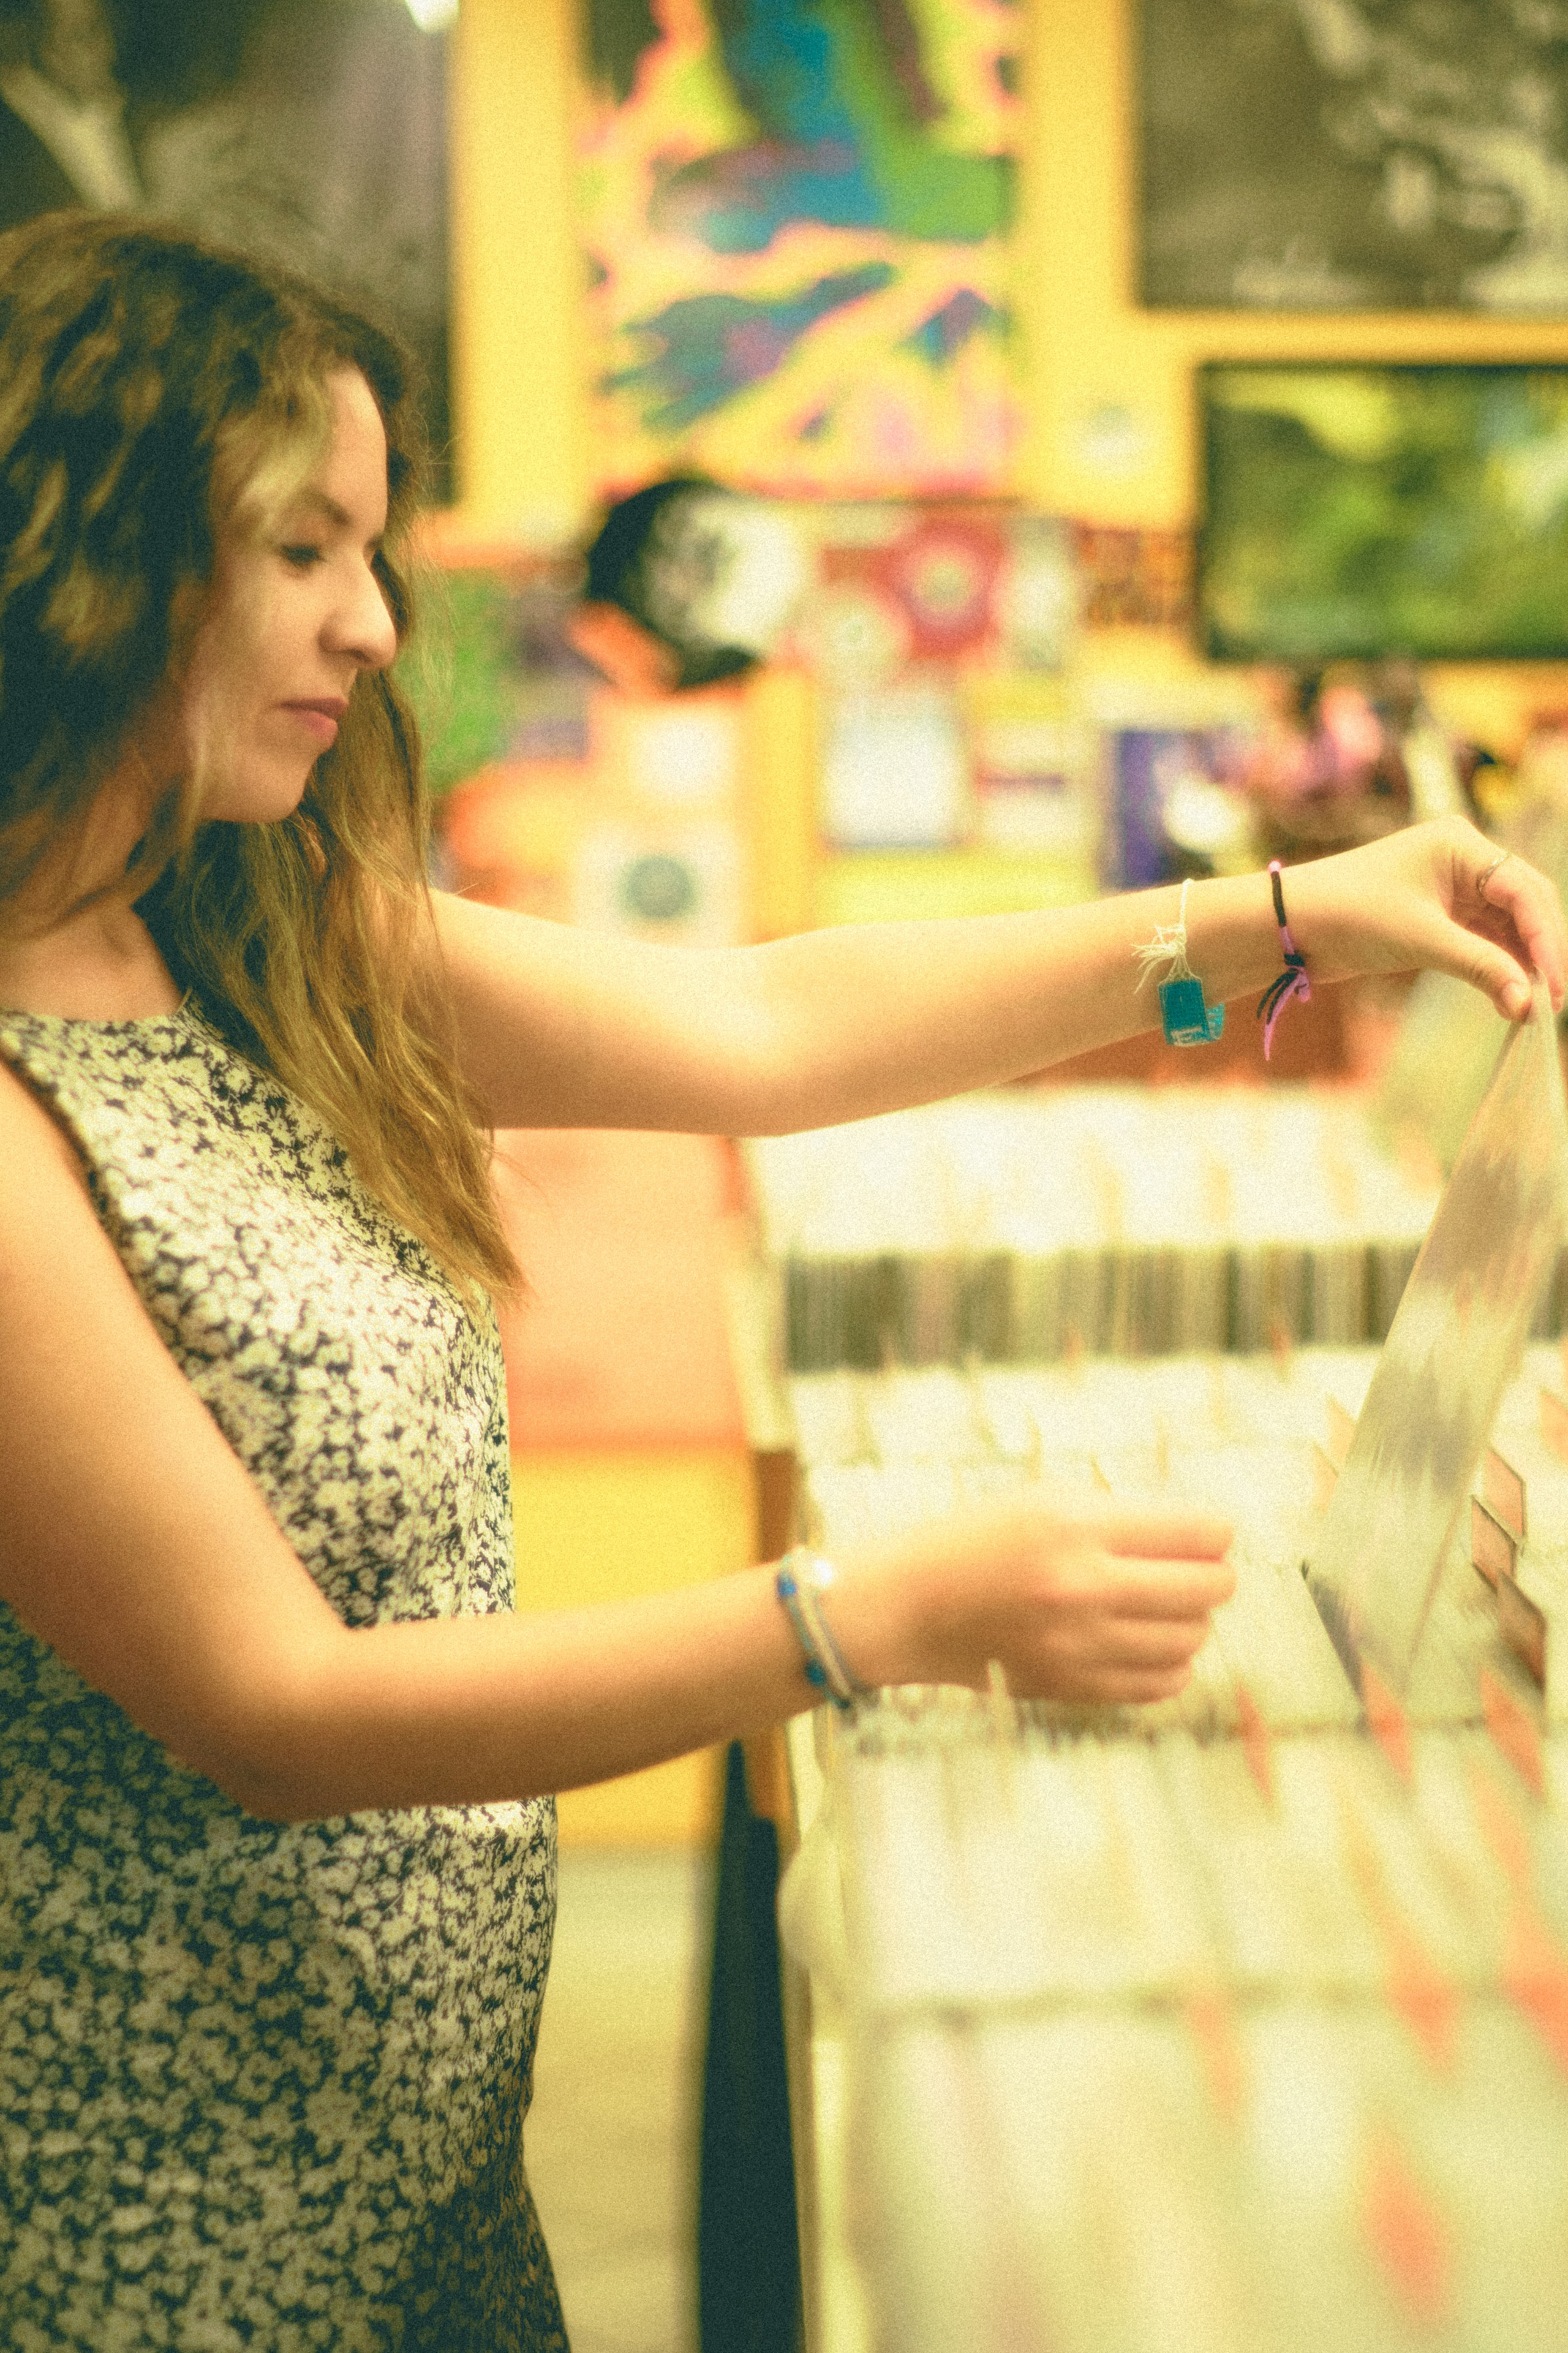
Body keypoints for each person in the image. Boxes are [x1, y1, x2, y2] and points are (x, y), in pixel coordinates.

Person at [0, 212, 1561, 2352]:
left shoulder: (239, 919)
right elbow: (274, 1706)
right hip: (168, 2246)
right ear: (80, 546)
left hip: (422, 2178)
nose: (374, 628)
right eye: (304, 550)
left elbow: (763, 1030)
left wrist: (1293, 910)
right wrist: (867, 1615)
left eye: (377, 550)